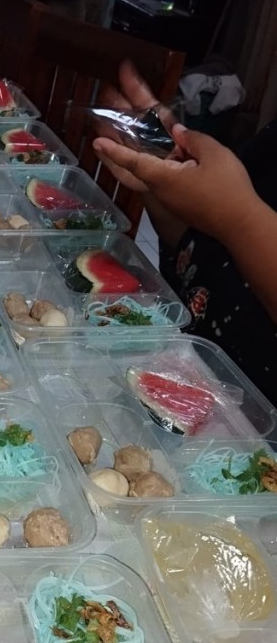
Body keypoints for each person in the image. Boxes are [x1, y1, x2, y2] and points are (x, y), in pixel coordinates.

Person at [92, 61, 277, 405]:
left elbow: (235, 222)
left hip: (249, 419)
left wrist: (239, 218)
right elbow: (201, 253)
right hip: (179, 364)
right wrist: (160, 181)